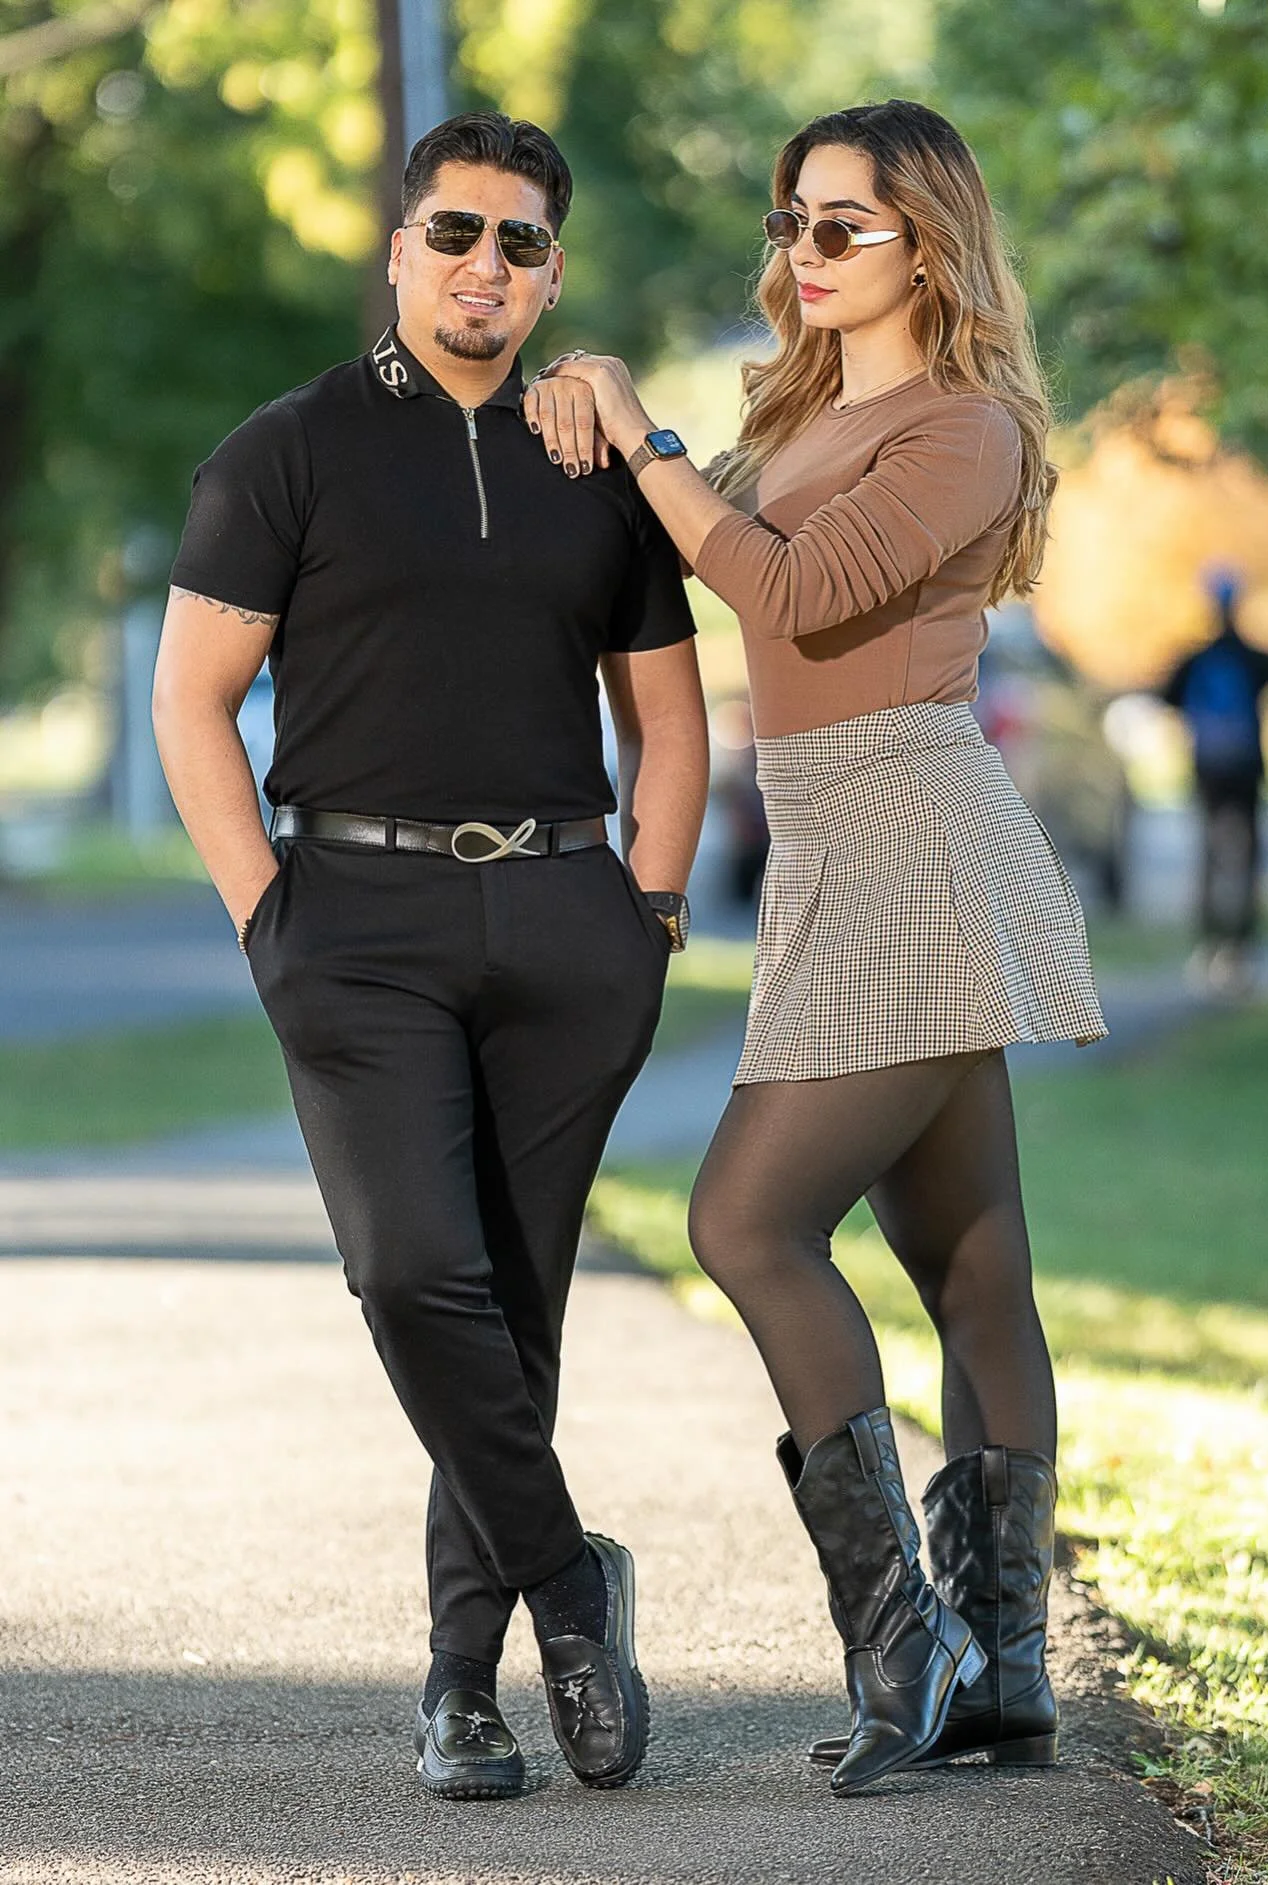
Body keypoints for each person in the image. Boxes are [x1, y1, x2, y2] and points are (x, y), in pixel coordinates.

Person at [531, 99, 1106, 1794]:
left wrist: (644, 434)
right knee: (973, 1266)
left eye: (841, 224)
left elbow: (788, 595)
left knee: (746, 1217)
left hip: (915, 837)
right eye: (791, 222)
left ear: (927, 239)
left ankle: (904, 1639)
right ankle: (1003, 1673)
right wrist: (607, 429)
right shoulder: (803, 412)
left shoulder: (968, 429)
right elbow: (713, 540)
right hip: (834, 842)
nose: (803, 252)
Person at [151, 111, 708, 1801]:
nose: (486, 264)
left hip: (564, 919)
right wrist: (269, 914)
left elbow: (670, 722)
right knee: (413, 1276)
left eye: (521, 242)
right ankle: (571, 1596)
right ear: (398, 252)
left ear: (551, 273)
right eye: (456, 232)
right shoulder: (289, 450)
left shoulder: (595, 465)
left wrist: (652, 914)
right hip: (357, 923)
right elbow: (193, 703)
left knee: (513, 1305)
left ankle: (462, 1692)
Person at [1159, 568, 1268, 993]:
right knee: (1251, 858)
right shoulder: (1252, 657)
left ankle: (1210, 944)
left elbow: (1163, 697)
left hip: (1208, 772)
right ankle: (1243, 947)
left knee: (1208, 855)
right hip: (1246, 771)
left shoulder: (1195, 659)